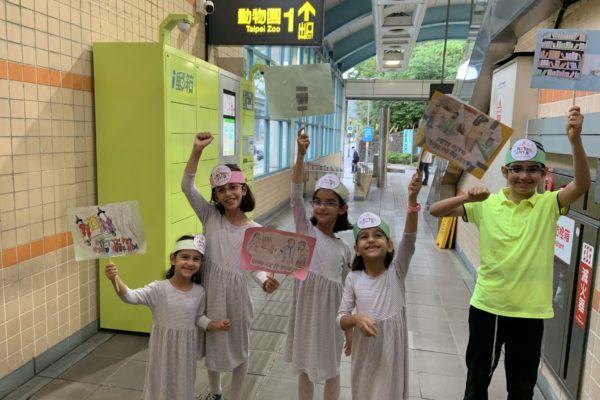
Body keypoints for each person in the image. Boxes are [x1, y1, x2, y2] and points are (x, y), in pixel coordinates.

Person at [429, 106, 590, 400]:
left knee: (521, 386)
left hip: (529, 312)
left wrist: (575, 140)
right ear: (505, 171)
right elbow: (435, 210)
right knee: (477, 381)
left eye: (532, 169)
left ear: (543, 173)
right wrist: (467, 196)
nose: (524, 176)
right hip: (488, 308)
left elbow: (581, 185)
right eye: (517, 168)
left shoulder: (548, 205)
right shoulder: (486, 204)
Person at [182, 132, 280, 400]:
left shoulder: (256, 230)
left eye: (233, 188)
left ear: (243, 189)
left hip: (238, 297)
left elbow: (256, 267)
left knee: (240, 348)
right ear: (215, 195)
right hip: (211, 293)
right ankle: (216, 393)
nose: (228, 194)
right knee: (214, 344)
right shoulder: (210, 217)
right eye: (221, 190)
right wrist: (197, 151)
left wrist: (265, 282)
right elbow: (187, 187)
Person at [104, 235, 231, 400]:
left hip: (186, 350)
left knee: (183, 383)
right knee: (160, 381)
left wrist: (214, 324)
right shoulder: (159, 289)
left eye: (196, 259)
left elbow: (198, 317)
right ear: (173, 259)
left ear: (201, 264)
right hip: (162, 348)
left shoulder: (199, 292)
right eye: (184, 257)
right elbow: (131, 297)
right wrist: (115, 279)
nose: (190, 263)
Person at [337, 171, 423, 400]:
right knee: (365, 392)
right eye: (364, 237)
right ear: (356, 248)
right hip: (365, 353)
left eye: (378, 235)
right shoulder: (353, 279)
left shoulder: (397, 271)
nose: (371, 240)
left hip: (391, 354)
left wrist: (412, 200)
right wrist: (356, 320)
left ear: (390, 244)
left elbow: (410, 237)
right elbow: (341, 317)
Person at [286, 126, 354, 400]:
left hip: (332, 315)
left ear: (342, 208)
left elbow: (349, 292)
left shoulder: (345, 249)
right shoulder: (305, 232)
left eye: (329, 202)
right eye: (317, 202)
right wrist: (300, 156)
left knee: (331, 366)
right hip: (305, 309)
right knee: (304, 365)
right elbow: (294, 196)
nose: (322, 207)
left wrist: (349, 329)